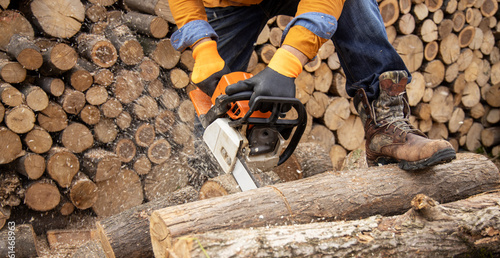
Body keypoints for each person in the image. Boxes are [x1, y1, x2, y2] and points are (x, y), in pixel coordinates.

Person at [167, 0, 456, 171]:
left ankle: (385, 125)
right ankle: (209, 171)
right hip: (228, 4)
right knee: (211, 91)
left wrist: (287, 63)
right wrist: (202, 46)